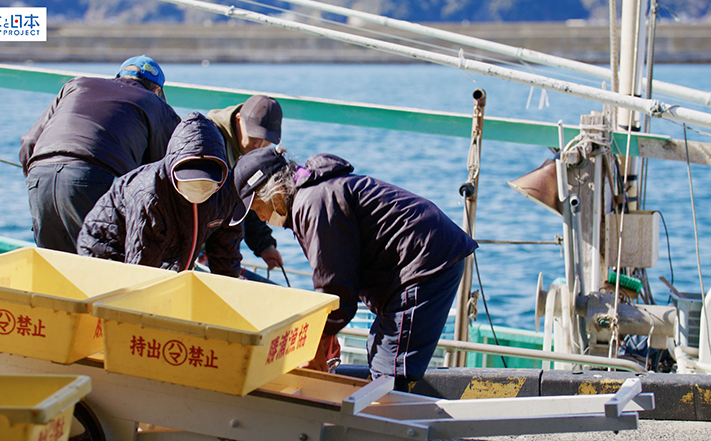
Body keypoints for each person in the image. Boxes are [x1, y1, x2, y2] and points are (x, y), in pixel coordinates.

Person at [233, 145, 479, 390]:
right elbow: (339, 275)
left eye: (257, 208)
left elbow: (336, 286)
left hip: (425, 262)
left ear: (274, 192)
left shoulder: (314, 201)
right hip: (416, 262)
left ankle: (392, 424)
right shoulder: (312, 195)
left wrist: (319, 342)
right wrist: (326, 334)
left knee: (390, 370)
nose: (262, 218)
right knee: (378, 350)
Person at [20, 55, 181, 253]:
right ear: (157, 90)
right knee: (102, 264)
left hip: (39, 178)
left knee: (53, 266)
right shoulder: (157, 105)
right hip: (93, 179)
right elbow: (166, 170)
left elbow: (29, 142)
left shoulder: (76, 85)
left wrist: (36, 180)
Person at [76, 112, 245, 276]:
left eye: (206, 183)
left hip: (168, 255)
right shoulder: (150, 193)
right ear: (174, 171)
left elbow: (226, 253)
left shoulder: (227, 192)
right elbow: (142, 264)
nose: (199, 189)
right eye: (190, 182)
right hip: (106, 251)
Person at [207, 95, 284, 270]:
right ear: (238, 119)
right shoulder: (210, 142)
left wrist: (265, 246)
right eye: (254, 135)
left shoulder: (248, 149)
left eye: (267, 139)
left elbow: (247, 199)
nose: (259, 144)